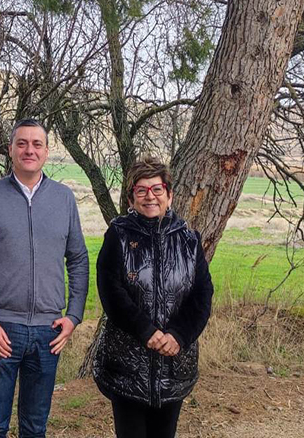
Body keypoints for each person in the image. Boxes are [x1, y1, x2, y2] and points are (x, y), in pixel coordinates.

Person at [0, 118, 89, 437]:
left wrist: (73, 315)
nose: (29, 150)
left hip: (49, 331)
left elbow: (78, 258)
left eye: (36, 144)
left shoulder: (63, 199)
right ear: (10, 150)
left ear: (47, 152)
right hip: (1, 329)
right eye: (22, 143)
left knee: (35, 426)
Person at [92, 157, 214, 438]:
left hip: (174, 365)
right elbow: (111, 292)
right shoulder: (118, 236)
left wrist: (178, 336)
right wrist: (146, 332)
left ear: (169, 195)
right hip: (128, 366)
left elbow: (201, 295)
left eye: (157, 189)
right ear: (131, 197)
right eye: (141, 190)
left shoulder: (189, 240)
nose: (150, 197)